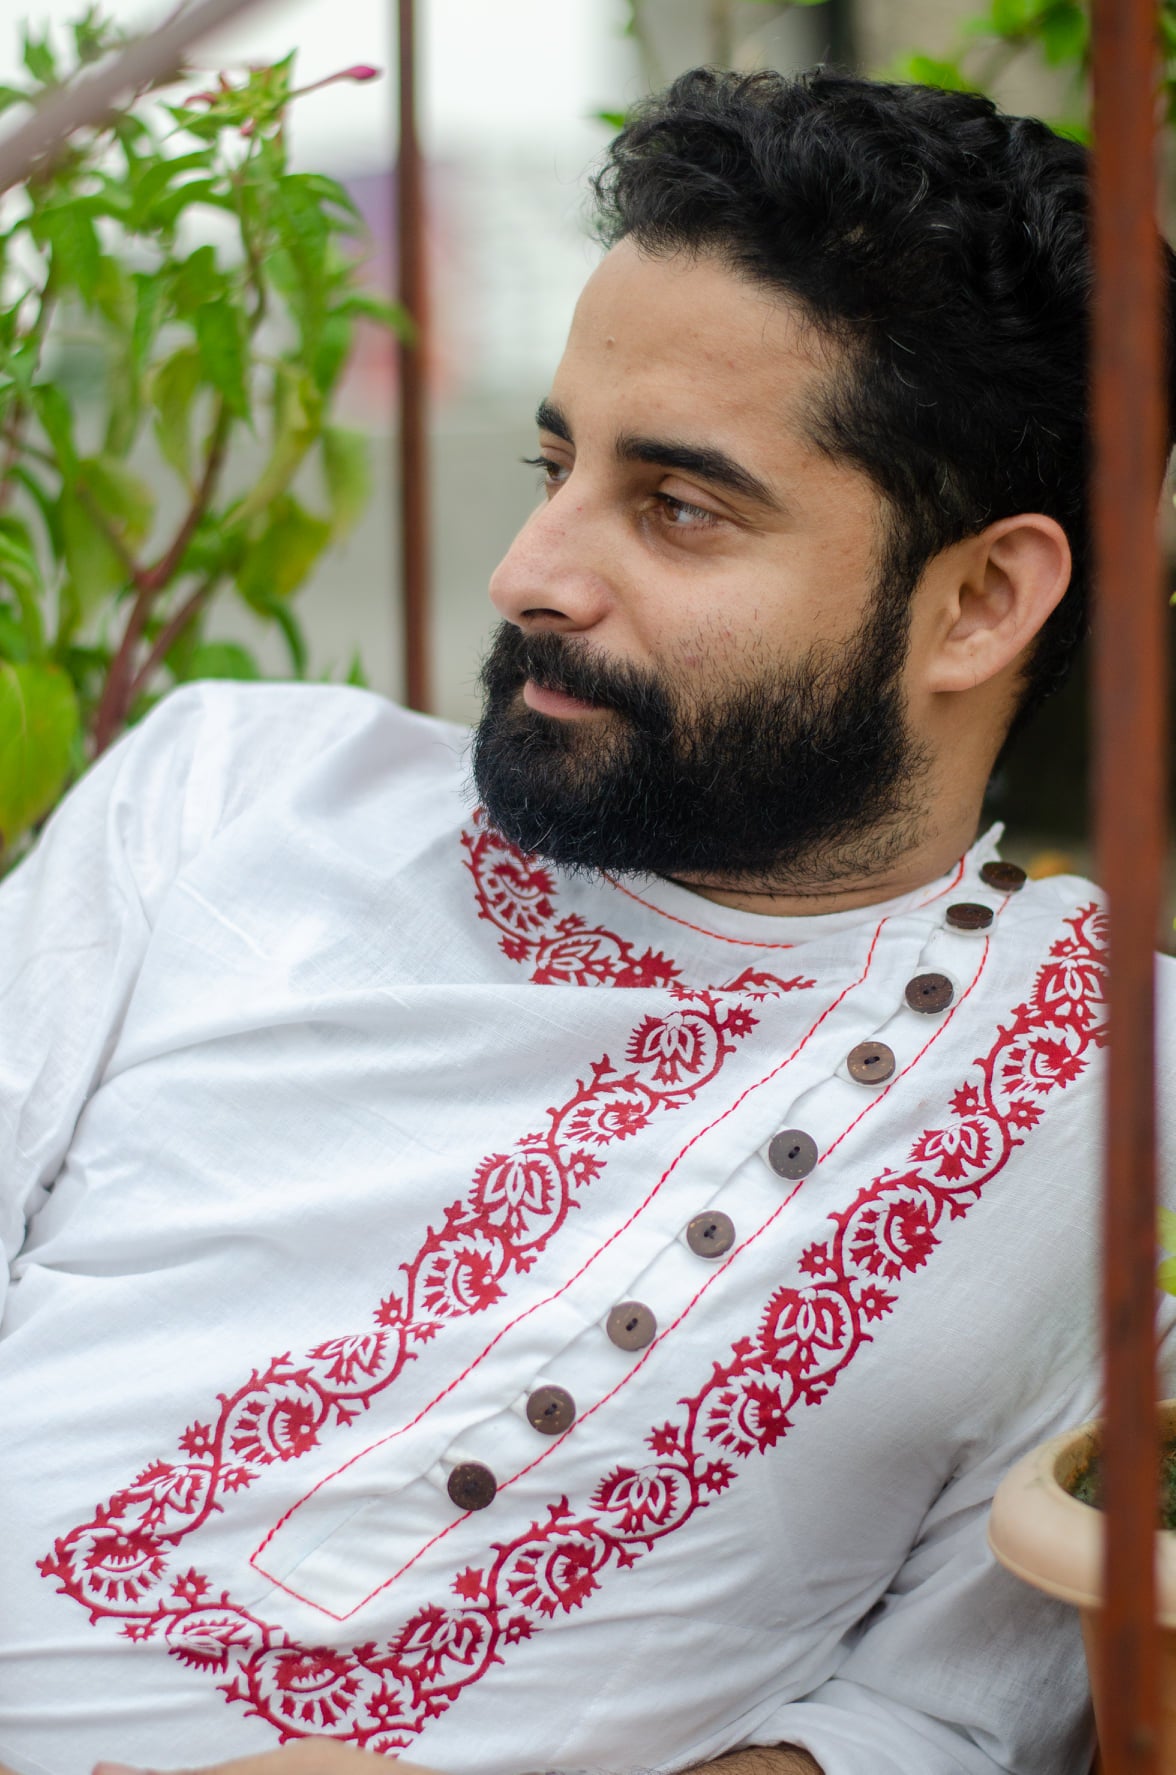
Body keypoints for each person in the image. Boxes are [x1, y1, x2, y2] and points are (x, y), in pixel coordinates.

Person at [1, 65, 1174, 1775]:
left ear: (982, 602)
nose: (531, 573)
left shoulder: (1123, 1103)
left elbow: (944, 1719)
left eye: (679, 508)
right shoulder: (234, 793)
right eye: (556, 462)